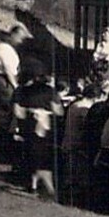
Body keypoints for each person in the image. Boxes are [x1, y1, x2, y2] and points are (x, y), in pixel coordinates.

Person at [12, 66, 63, 197]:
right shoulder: (50, 92)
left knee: (33, 154)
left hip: (28, 128)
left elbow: (17, 112)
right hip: (45, 128)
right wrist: (46, 112)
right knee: (43, 158)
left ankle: (34, 186)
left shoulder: (21, 91)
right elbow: (59, 111)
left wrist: (30, 111)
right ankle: (49, 191)